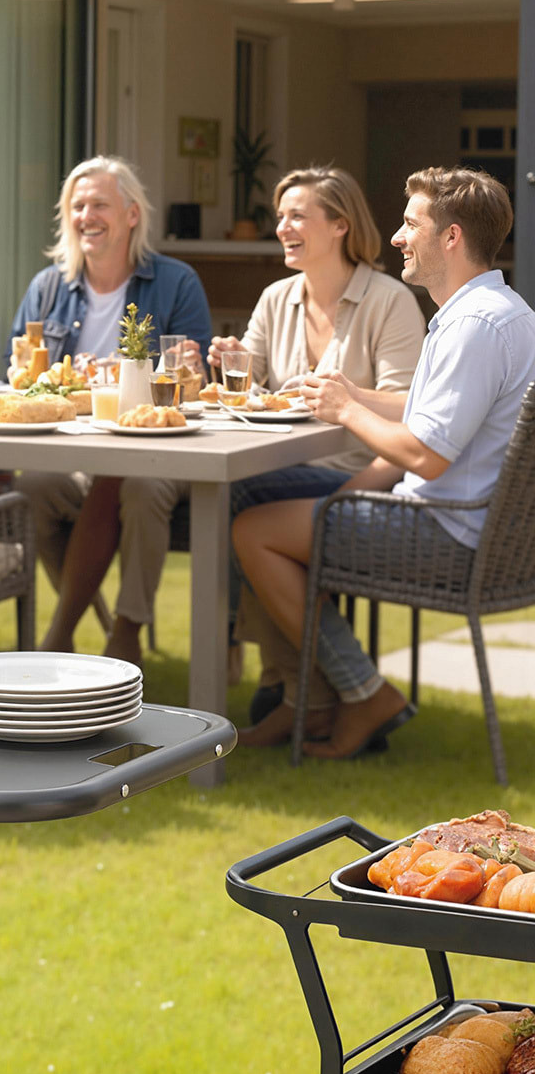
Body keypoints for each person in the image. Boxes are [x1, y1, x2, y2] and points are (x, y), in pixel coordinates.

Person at [235, 165, 535, 758]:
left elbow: (425, 456)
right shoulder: (502, 310)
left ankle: (359, 691)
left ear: (450, 237)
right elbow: (433, 412)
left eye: (409, 224)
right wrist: (350, 391)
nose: (397, 237)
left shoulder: (471, 326)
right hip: (479, 528)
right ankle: (310, 696)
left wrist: (347, 410)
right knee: (256, 493)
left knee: (253, 530)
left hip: (445, 532)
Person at [213, 167, 426, 742]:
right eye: (280, 216)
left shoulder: (390, 300)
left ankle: (290, 684)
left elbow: (413, 408)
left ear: (340, 224)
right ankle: (311, 690)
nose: (282, 226)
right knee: (234, 498)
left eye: (296, 215)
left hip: (363, 474)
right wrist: (232, 361)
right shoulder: (275, 298)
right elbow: (251, 390)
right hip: (279, 471)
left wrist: (349, 408)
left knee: (234, 504)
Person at [10, 157, 212, 661]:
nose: (86, 216)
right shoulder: (48, 287)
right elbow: (17, 373)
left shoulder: (176, 282)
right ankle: (81, 614)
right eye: (77, 206)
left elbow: (195, 380)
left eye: (99, 204)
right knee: (32, 485)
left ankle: (120, 629)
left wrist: (178, 364)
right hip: (73, 450)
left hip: (154, 452)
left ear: (131, 215)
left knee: (130, 482)